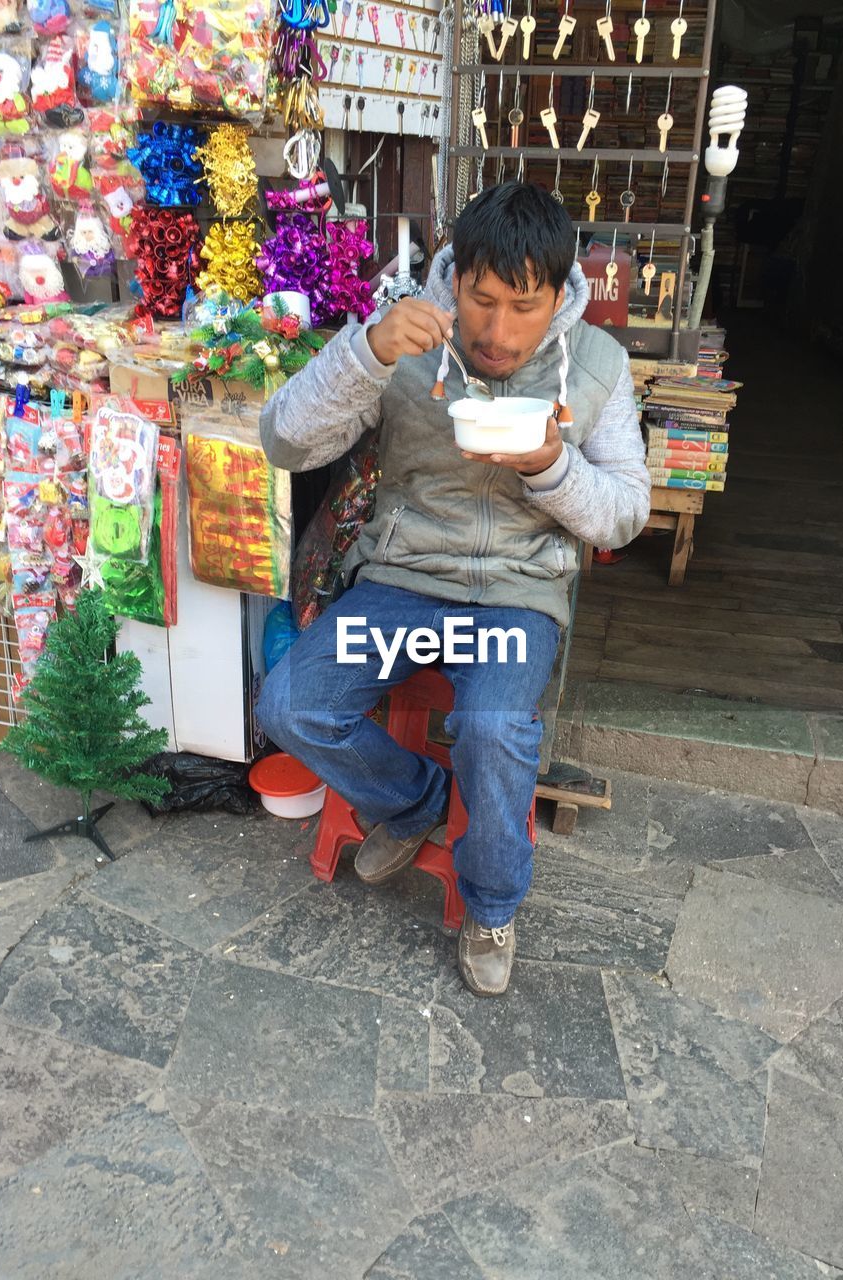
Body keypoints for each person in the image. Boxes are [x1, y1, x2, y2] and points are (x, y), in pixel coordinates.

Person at [257, 182, 650, 996]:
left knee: (493, 723)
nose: (496, 332)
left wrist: (550, 467)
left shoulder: (601, 368)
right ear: (456, 277)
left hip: (518, 592)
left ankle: (493, 904)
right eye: (480, 301)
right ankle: (415, 798)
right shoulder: (406, 333)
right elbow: (284, 441)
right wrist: (363, 352)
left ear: (561, 295)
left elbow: (624, 515)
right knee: (290, 704)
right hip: (405, 580)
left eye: (523, 307)